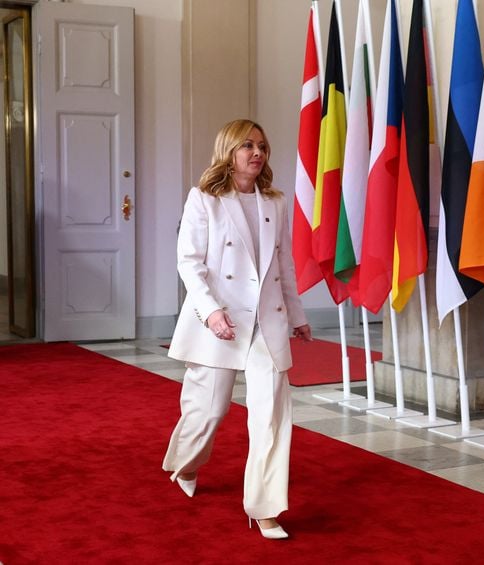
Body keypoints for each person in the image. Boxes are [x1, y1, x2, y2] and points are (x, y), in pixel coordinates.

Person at [163, 119, 311, 540]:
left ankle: (265, 508)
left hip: (267, 320)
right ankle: (186, 463)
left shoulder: (275, 202)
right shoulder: (204, 198)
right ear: (228, 151)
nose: (256, 152)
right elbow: (189, 263)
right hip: (220, 322)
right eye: (247, 145)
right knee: (209, 411)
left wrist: (297, 315)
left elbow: (283, 264)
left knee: (271, 416)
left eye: (261, 145)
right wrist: (210, 312)